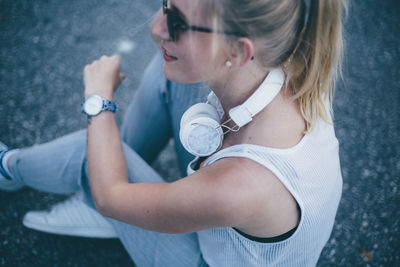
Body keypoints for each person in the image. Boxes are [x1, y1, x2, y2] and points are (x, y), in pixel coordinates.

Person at [0, 0, 346, 266]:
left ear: (239, 51)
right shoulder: (293, 60)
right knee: (166, 71)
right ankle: (122, 209)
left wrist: (98, 99)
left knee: (86, 154)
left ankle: (7, 166)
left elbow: (111, 195)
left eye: (179, 24)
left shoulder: (242, 184)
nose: (156, 28)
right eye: (166, 5)